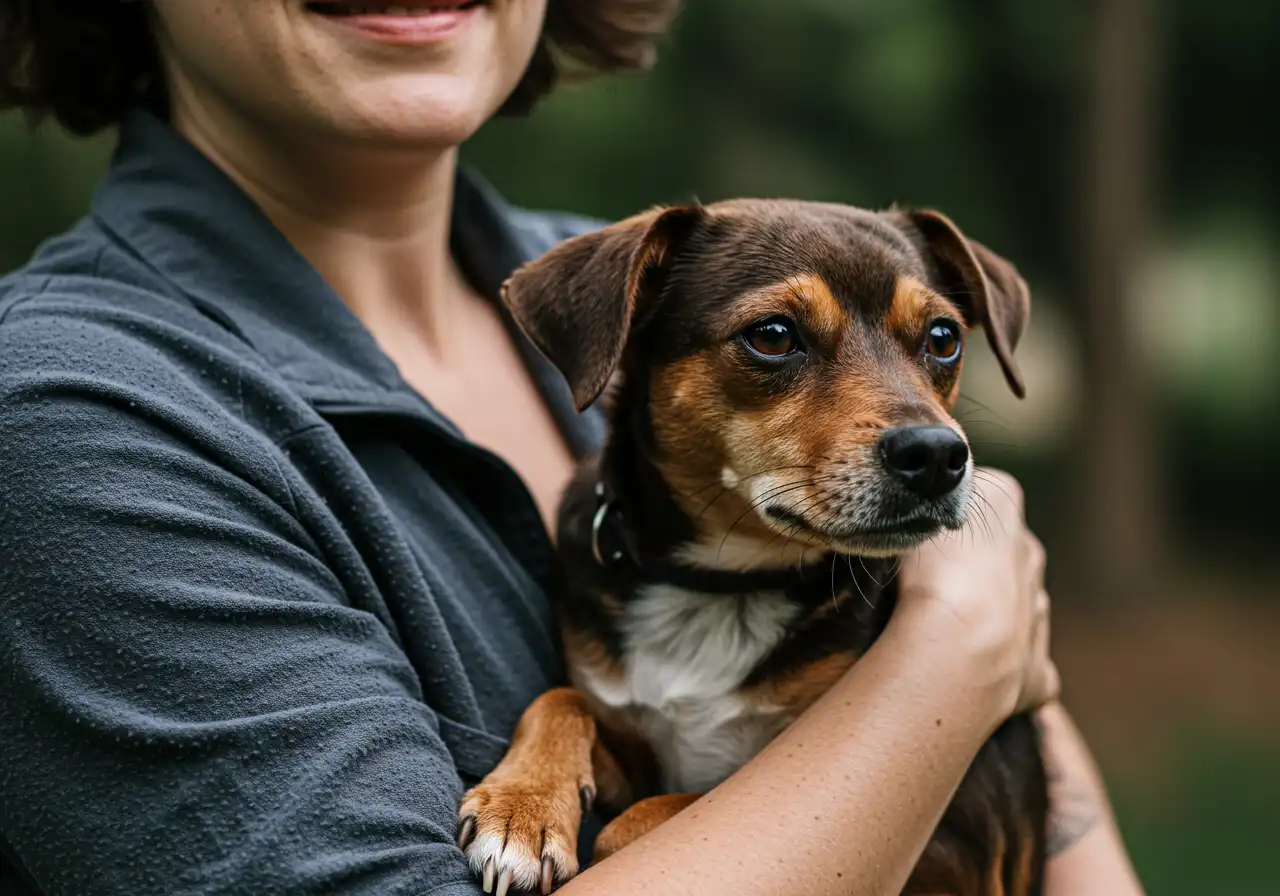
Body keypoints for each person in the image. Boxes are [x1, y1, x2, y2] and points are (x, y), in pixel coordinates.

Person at [0, 2, 1144, 894]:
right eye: (773, 341)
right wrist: (955, 640)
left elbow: (1045, 810)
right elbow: (981, 655)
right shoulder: (69, 420)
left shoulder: (638, 280)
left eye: (937, 346)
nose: (919, 426)